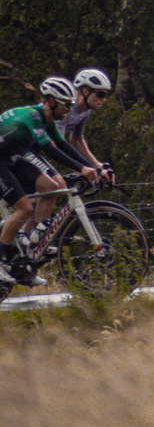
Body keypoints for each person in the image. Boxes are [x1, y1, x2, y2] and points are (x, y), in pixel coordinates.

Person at [0, 78, 95, 278]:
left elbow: (62, 145)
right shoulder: (33, 116)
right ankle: (2, 261)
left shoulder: (48, 119)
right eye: (66, 105)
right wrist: (81, 168)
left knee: (50, 188)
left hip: (10, 155)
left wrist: (88, 167)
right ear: (51, 101)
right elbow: (49, 150)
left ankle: (29, 244)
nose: (69, 109)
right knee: (24, 208)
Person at [62, 66, 116, 185]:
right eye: (101, 94)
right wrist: (80, 168)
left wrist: (97, 165)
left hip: (44, 147)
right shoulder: (66, 108)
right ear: (85, 91)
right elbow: (57, 145)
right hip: (29, 146)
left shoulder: (86, 109)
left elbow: (76, 139)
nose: (104, 100)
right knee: (54, 185)